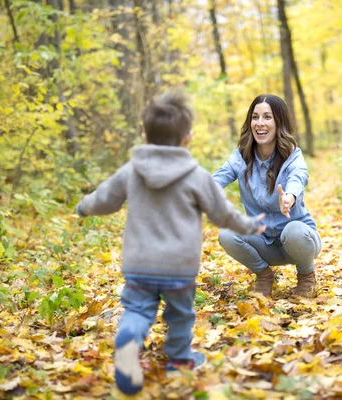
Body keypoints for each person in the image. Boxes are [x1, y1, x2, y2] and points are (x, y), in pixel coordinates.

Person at [75, 89, 265, 395]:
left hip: (139, 264)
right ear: (187, 138)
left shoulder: (131, 171)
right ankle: (179, 361)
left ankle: (129, 336)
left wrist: (85, 206)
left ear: (145, 135)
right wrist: (249, 225)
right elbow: (222, 214)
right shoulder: (196, 176)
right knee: (180, 315)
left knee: (137, 310)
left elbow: (106, 199)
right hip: (179, 267)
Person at [213, 94, 321, 298]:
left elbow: (298, 176)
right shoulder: (240, 157)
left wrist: (289, 196)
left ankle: (306, 275)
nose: (259, 123)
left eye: (267, 117)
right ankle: (264, 275)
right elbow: (217, 179)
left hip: (299, 242)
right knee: (227, 232)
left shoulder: (292, 155)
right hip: (263, 243)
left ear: (279, 122)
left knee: (294, 230)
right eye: (255, 117)